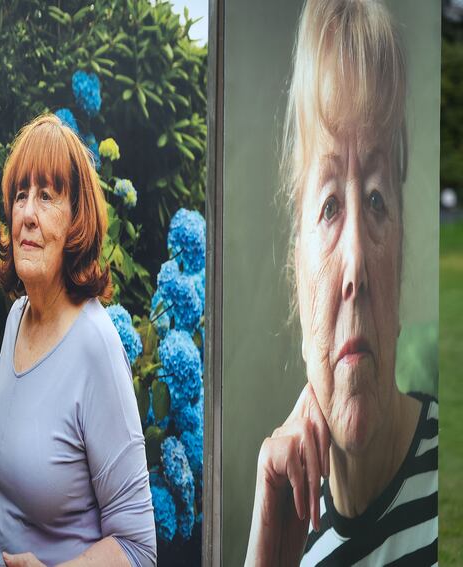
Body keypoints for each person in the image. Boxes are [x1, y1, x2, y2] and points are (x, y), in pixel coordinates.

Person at [0, 114, 156, 567]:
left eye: (47, 197)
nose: (28, 214)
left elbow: (138, 548)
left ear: (78, 220)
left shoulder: (96, 346)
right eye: (21, 196)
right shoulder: (18, 319)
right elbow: (9, 487)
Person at [245, 1, 438, 565]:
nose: (355, 264)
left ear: (399, 265)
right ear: (296, 283)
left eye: (377, 200)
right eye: (329, 207)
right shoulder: (288, 530)